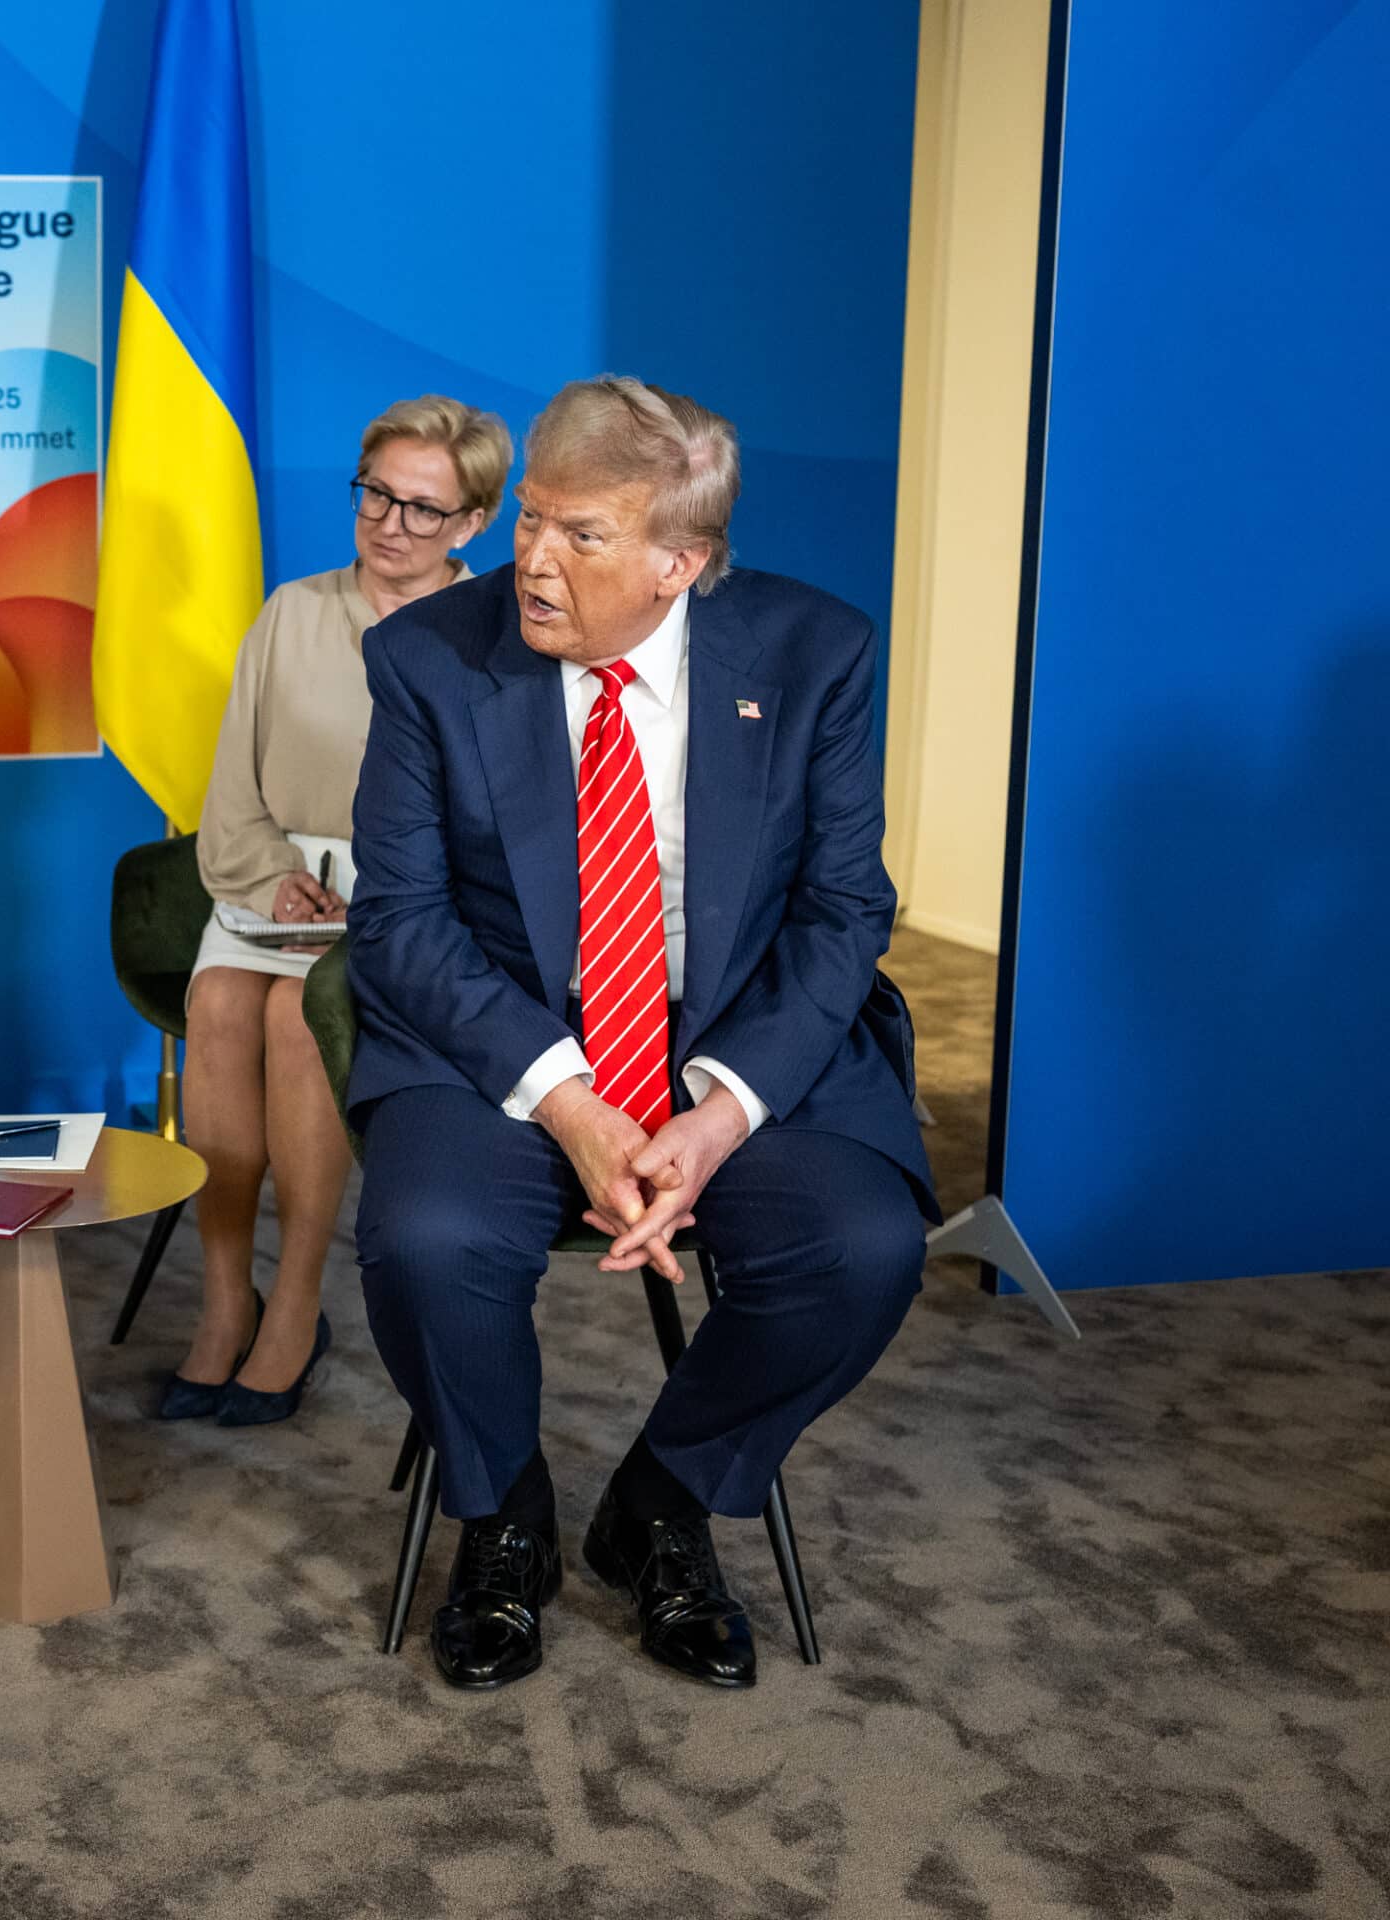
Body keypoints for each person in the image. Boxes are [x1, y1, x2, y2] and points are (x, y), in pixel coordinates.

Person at [347, 376, 936, 1692]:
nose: (534, 561)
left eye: (582, 536)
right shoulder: (430, 659)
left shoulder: (814, 652)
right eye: (532, 523)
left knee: (863, 1246)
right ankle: (503, 1516)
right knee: (427, 1239)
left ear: (682, 561)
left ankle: (661, 1502)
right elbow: (400, 922)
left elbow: (845, 913)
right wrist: (567, 1098)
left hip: (734, 1038)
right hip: (498, 1038)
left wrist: (721, 1113)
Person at [164, 396, 512, 1426]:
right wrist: (269, 873)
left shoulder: (498, 635)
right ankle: (227, 1297)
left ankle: (299, 1305)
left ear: (472, 524)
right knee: (225, 1002)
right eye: (376, 496)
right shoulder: (293, 611)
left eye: (422, 509)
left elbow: (504, 816)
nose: (390, 525)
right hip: (267, 881)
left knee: (293, 1018)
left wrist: (391, 899)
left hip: (412, 902)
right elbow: (232, 784)